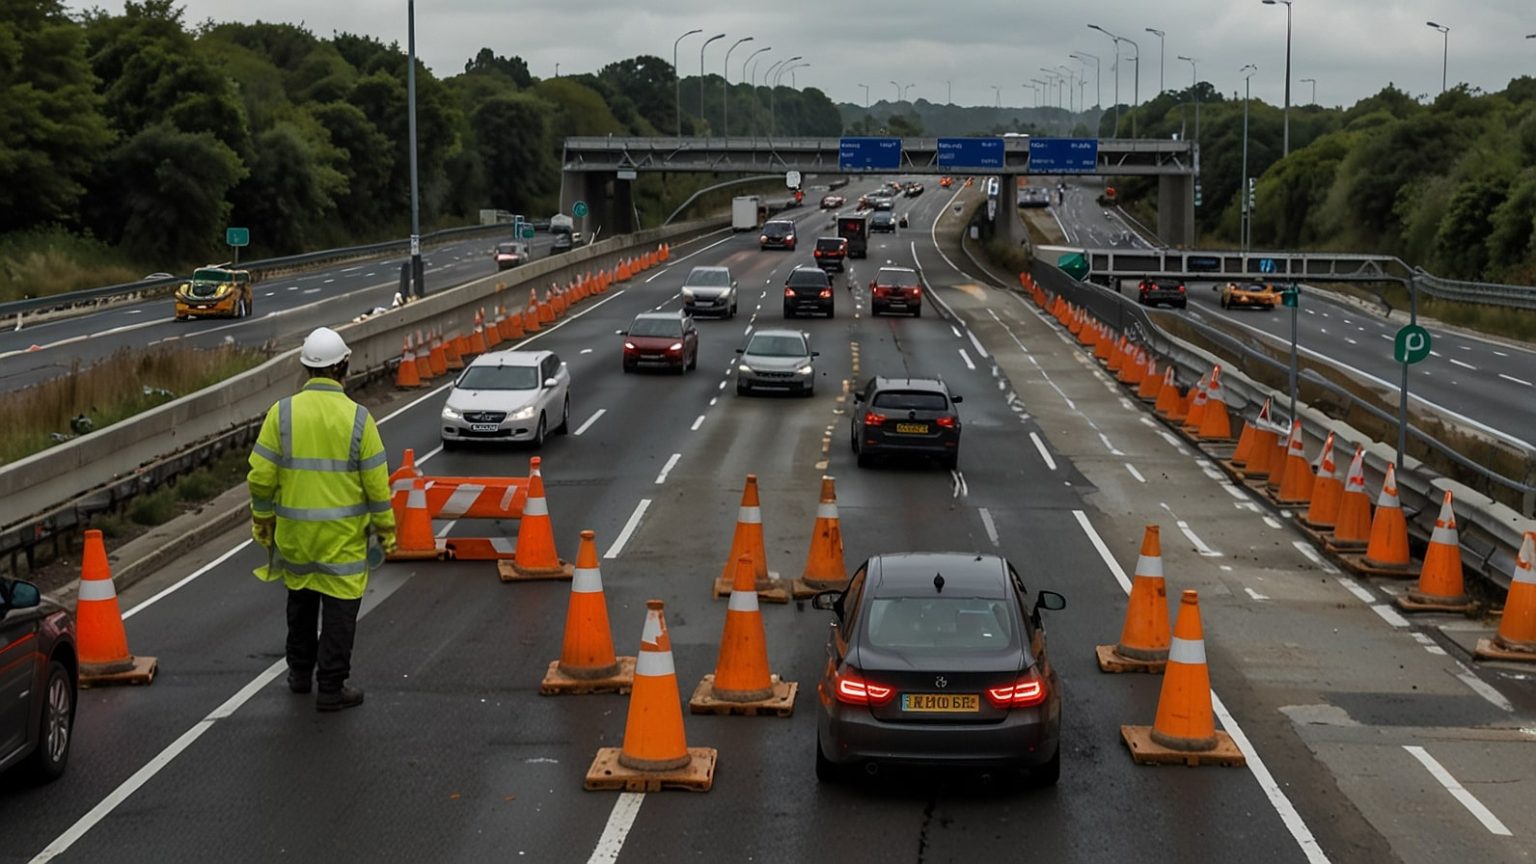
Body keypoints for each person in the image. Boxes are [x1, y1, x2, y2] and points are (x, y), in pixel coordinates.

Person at [248, 327, 396, 712]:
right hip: (342, 542)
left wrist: (263, 521)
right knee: (339, 613)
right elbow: (378, 488)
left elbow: (261, 477)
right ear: (343, 366)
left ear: (306, 368)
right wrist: (387, 535)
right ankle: (330, 687)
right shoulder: (360, 421)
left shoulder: (281, 415)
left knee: (300, 605)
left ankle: (299, 675)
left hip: (295, 538)